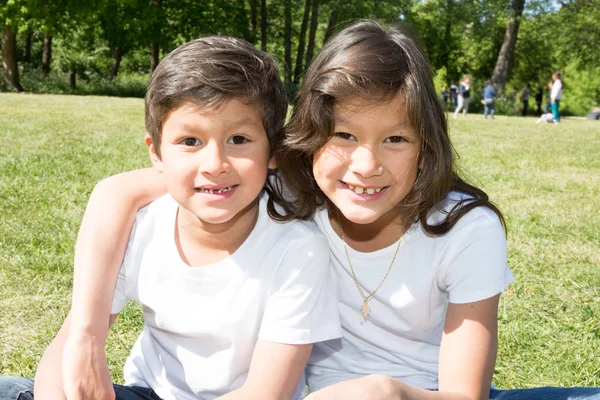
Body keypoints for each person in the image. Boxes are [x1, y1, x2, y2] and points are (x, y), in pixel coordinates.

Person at [15, 22, 600, 400]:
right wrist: (87, 334)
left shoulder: (464, 228)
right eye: (343, 134)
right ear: (310, 136)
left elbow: (464, 395)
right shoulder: (295, 190)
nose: (365, 166)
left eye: (396, 139)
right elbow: (121, 191)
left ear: (427, 143)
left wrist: (386, 394)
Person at [0, 36, 341, 400]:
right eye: (190, 141)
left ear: (273, 151)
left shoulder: (298, 251)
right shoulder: (142, 227)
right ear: (157, 153)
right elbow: (67, 350)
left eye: (239, 139)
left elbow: (265, 393)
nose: (215, 165)